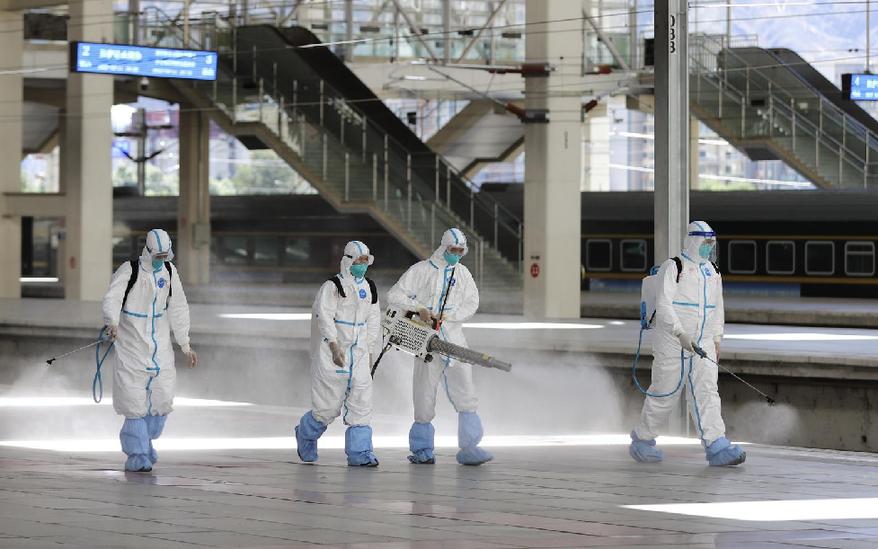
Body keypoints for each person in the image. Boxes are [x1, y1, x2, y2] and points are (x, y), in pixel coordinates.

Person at [630, 221, 746, 467]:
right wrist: (680, 333)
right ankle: (643, 439)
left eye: (712, 243)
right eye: (705, 243)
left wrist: (716, 338)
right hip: (672, 342)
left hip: (703, 341)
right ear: (693, 241)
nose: (709, 247)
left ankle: (716, 445)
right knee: (665, 391)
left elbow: (718, 308)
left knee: (707, 392)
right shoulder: (674, 267)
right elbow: (663, 305)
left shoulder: (713, 271)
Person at [387, 228, 492, 466]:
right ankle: (422, 449)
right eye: (453, 250)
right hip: (427, 343)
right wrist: (419, 309)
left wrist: (451, 316)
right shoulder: (421, 270)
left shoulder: (463, 273)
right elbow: (395, 295)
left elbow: (472, 302)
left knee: (466, 390)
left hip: (454, 340)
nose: (456, 254)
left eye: (460, 251)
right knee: (424, 394)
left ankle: (470, 447)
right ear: (443, 247)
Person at [101, 229, 197, 472]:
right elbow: (113, 298)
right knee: (133, 401)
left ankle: (146, 441)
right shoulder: (130, 271)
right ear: (148, 251)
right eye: (158, 256)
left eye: (165, 256)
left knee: (163, 396)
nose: (161, 260)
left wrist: (185, 344)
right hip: (132, 346)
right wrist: (112, 323)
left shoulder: (170, 272)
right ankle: (137, 453)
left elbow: (178, 307)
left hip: (160, 346)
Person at [295, 241, 382, 467]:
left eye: (365, 260)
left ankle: (360, 453)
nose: (362, 265)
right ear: (348, 261)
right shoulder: (332, 287)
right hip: (333, 353)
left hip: (359, 354)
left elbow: (374, 320)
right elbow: (324, 317)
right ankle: (305, 434)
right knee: (327, 409)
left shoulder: (370, 288)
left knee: (361, 404)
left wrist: (370, 350)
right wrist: (334, 346)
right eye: (358, 260)